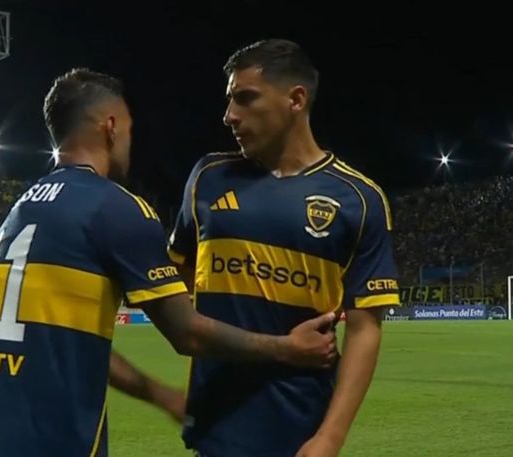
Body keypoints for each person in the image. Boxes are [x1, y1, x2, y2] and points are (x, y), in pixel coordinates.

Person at [0, 68, 338, 457]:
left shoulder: (23, 209)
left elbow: (78, 347)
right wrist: (287, 348)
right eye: (130, 130)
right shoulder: (115, 207)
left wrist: (161, 395)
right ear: (111, 127)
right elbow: (188, 334)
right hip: (47, 435)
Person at [168, 39, 401, 457]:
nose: (229, 115)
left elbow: (365, 329)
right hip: (215, 427)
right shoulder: (208, 178)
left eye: (245, 98)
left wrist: (329, 438)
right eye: (229, 100)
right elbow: (181, 279)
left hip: (300, 431)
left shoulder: (359, 200)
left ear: (296, 99)